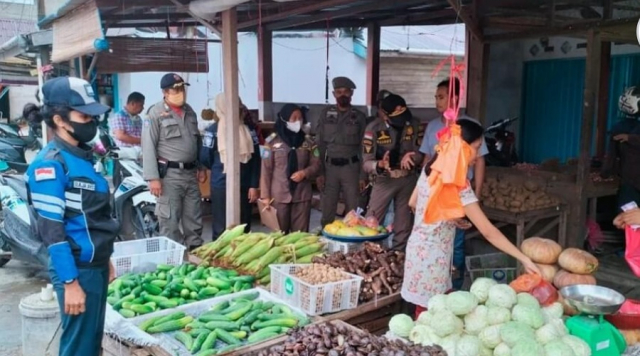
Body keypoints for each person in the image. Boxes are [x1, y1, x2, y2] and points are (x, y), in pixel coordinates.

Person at [404, 119, 540, 316]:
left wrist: (447, 218)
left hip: (417, 251)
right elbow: (489, 232)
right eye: (476, 148)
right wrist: (524, 259)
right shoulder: (459, 185)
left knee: (428, 311)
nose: (477, 155)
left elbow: (414, 203)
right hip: (434, 259)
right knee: (430, 316)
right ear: (462, 146)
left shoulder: (432, 168)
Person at [23, 76, 119, 356]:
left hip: (95, 265)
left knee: (91, 343)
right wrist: (70, 283)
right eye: (83, 115)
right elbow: (52, 232)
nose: (91, 121)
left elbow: (91, 218)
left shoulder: (84, 158)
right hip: (76, 270)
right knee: (79, 347)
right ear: (60, 120)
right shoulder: (51, 165)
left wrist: (105, 258)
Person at [419, 78, 489, 290]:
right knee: (437, 239)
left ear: (455, 98)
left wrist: (477, 190)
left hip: (460, 190)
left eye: (441, 97)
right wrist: (423, 185)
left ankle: (455, 286)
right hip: (436, 190)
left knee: (456, 243)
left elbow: (480, 160)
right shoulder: (433, 126)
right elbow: (427, 160)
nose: (437, 102)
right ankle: (437, 284)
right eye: (436, 97)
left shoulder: (470, 128)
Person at [142, 73, 205, 250]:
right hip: (169, 175)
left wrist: (201, 167)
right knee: (169, 220)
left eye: (182, 88)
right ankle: (172, 259)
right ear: (165, 91)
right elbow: (148, 146)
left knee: (194, 217)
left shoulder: (189, 111)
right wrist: (153, 178)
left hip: (190, 174)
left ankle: (195, 254)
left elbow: (196, 141)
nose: (180, 92)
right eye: (175, 89)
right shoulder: (155, 113)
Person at [362, 93, 424, 249]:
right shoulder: (373, 130)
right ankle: (372, 255)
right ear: (384, 115)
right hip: (384, 180)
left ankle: (398, 257)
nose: (402, 122)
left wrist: (413, 158)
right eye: (397, 118)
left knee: (404, 224)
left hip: (407, 180)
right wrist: (380, 165)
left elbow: (422, 152)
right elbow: (366, 163)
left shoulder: (414, 125)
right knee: (372, 222)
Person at [199, 93, 261, 240]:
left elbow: (256, 160)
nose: (236, 110)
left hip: (244, 184)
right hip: (221, 184)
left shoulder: (248, 131)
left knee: (244, 224)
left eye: (238, 106)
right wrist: (219, 167)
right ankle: (220, 257)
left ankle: (241, 257)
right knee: (221, 225)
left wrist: (254, 185)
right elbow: (205, 157)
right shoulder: (212, 131)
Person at [259, 104, 321, 233]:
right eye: (294, 118)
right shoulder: (271, 142)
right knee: (279, 236)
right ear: (284, 119)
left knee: (300, 236)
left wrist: (305, 173)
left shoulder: (309, 142)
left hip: (302, 196)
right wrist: (265, 196)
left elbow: (317, 164)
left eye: (300, 118)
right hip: (279, 197)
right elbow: (266, 170)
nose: (297, 121)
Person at [316, 76, 367, 227]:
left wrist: (362, 175)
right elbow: (319, 146)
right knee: (327, 209)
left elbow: (365, 147)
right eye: (338, 92)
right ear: (333, 94)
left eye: (345, 92)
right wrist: (320, 172)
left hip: (351, 168)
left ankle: (352, 243)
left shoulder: (359, 117)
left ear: (351, 94)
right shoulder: (325, 114)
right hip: (330, 168)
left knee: (354, 211)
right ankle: (327, 241)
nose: (342, 95)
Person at [602, 86, 640, 209]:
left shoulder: (620, 128)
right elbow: (611, 156)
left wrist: (605, 173)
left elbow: (611, 156)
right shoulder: (621, 128)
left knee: (629, 218)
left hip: (630, 181)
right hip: (631, 182)